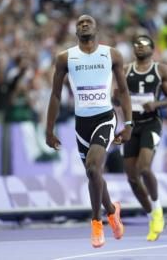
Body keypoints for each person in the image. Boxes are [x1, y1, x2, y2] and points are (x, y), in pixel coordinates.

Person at [45, 15, 133, 248]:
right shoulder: (65, 57)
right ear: (76, 31)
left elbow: (123, 91)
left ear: (96, 28)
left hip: (105, 118)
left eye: (88, 22)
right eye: (80, 23)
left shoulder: (111, 54)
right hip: (81, 123)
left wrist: (129, 124)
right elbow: (55, 95)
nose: (84, 24)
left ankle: (96, 222)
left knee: (94, 167)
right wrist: (49, 129)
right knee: (93, 174)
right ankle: (112, 211)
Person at [119, 35, 167, 241]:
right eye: (136, 44)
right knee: (132, 177)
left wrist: (157, 104)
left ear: (152, 48)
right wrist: (118, 96)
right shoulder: (125, 69)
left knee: (143, 168)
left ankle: (158, 207)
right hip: (131, 124)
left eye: (144, 44)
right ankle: (152, 216)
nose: (140, 47)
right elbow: (117, 95)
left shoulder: (161, 70)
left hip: (151, 122)